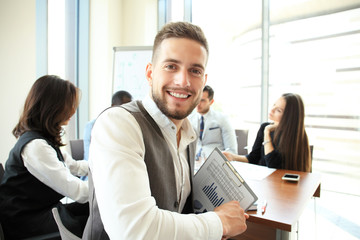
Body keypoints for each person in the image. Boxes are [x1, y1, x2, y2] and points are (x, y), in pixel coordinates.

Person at [83, 22, 248, 240]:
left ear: (204, 80)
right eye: (171, 66)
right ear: (150, 73)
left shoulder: (188, 133)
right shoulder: (118, 123)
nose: (183, 81)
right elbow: (133, 231)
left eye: (195, 70)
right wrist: (219, 223)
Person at [0, 75, 89, 239]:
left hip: (42, 212)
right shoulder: (36, 147)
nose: (73, 111)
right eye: (68, 105)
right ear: (52, 107)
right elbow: (78, 192)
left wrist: (107, 166)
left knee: (94, 210)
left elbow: (73, 167)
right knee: (97, 216)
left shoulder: (43, 139)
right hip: (28, 224)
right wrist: (109, 186)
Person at [223, 93, 311, 172]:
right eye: (274, 105)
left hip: (279, 185)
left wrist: (267, 132)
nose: (272, 110)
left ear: (289, 117)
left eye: (278, 110)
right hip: (262, 181)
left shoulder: (294, 136)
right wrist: (233, 157)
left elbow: (273, 166)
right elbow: (253, 158)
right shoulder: (264, 126)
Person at [189, 85, 238, 162]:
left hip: (216, 162)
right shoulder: (188, 119)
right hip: (193, 162)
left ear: (211, 102)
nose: (198, 104)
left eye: (202, 100)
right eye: (197, 99)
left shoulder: (223, 119)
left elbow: (231, 150)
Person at [83, 90, 132, 161]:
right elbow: (90, 157)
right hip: (94, 167)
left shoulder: (127, 127)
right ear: (113, 106)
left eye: (129, 108)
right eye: (123, 107)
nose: (126, 111)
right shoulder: (92, 125)